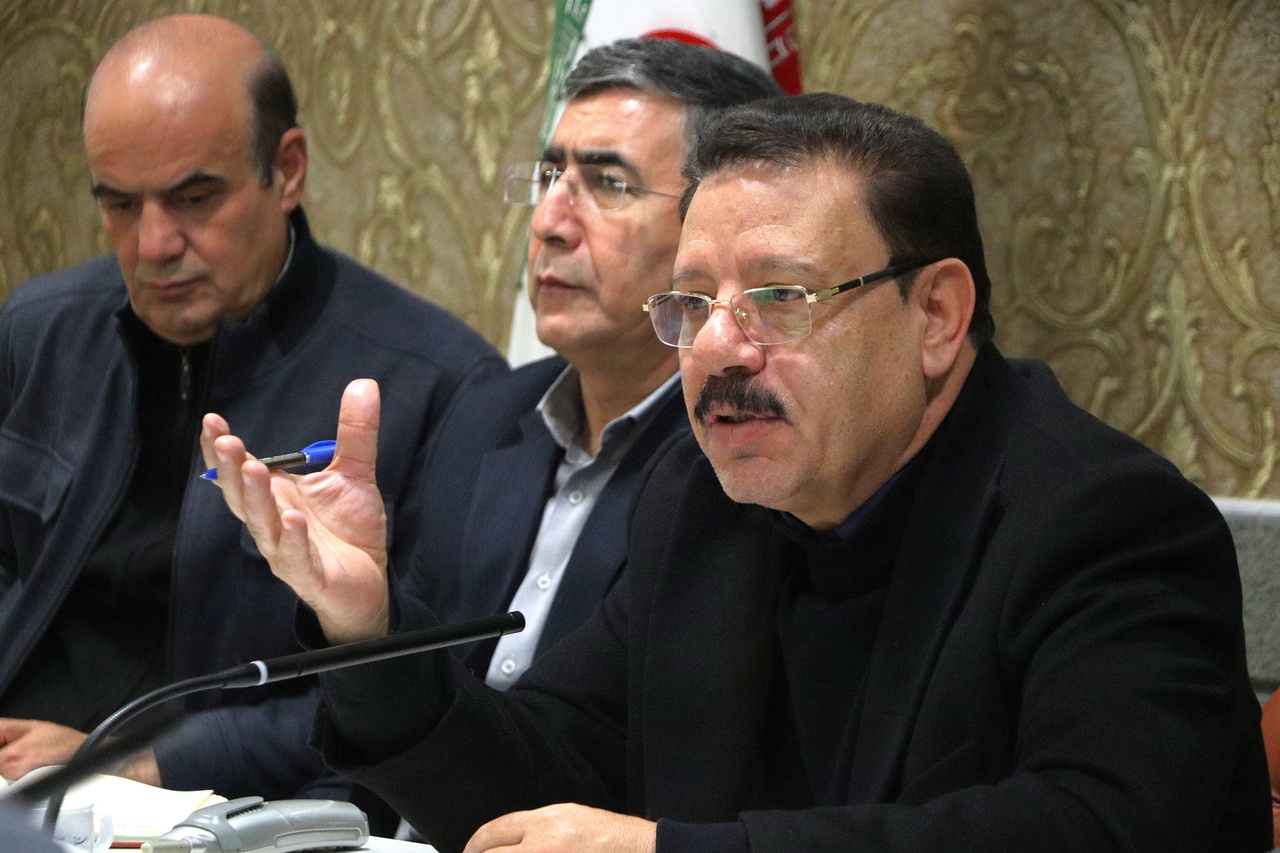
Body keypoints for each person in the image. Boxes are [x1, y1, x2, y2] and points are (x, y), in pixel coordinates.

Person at [201, 93, 1271, 851]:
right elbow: (542, 785)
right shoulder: (699, 503)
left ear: (936, 314)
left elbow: (1098, 826)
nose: (715, 347)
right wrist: (370, 631)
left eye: (778, 297)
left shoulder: (1104, 521)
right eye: (691, 302)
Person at [0, 12, 504, 804]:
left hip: (218, 805)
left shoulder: (434, 385)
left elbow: (420, 692)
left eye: (194, 198)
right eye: (119, 204)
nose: (153, 244)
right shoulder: (40, 330)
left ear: (287, 169)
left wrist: (141, 761)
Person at [407, 38, 782, 690]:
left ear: (715, 226)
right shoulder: (483, 415)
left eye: (608, 183)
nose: (549, 224)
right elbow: (408, 678)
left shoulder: (744, 454)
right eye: (550, 177)